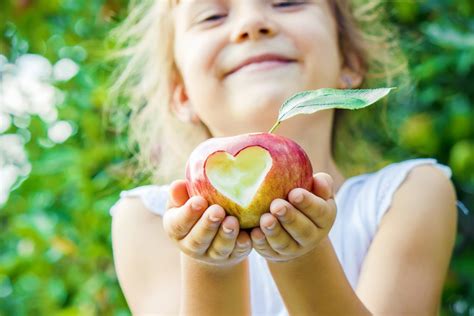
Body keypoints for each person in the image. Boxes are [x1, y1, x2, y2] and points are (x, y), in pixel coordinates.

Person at [108, 0, 458, 315]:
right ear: (180, 94)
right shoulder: (147, 220)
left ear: (349, 62)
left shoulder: (410, 193)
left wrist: (299, 255)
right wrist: (212, 265)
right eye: (212, 15)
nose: (253, 24)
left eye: (288, 2)